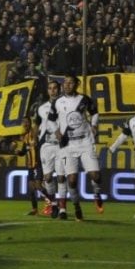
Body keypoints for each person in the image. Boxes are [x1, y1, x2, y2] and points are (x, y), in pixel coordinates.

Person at [48, 75, 104, 221]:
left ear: (77, 84)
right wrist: (57, 132)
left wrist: (94, 125)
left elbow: (95, 113)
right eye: (65, 83)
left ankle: (97, 194)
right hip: (67, 145)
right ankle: (77, 207)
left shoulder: (84, 99)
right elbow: (51, 121)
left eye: (70, 82)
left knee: (96, 176)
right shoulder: (57, 102)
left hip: (85, 142)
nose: (67, 85)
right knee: (71, 180)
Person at [35, 80, 61, 218]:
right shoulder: (41, 108)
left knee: (63, 177)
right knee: (48, 178)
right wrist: (35, 141)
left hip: (63, 145)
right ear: (47, 91)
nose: (53, 91)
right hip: (47, 145)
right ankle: (54, 202)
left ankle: (62, 208)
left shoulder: (65, 105)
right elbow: (37, 125)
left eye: (55, 88)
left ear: (59, 89)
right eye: (50, 88)